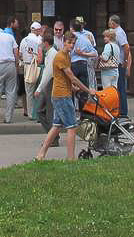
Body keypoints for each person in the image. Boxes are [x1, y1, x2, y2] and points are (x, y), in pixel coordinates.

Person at [34, 31, 90, 161]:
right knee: (72, 127)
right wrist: (87, 90)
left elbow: (65, 78)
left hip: (62, 94)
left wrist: (73, 88)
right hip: (62, 96)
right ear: (64, 42)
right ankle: (71, 158)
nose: (71, 45)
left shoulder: (67, 56)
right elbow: (72, 77)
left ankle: (41, 154)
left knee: (56, 126)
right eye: (69, 43)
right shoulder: (60, 56)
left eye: (73, 43)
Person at [107, 15, 132, 117]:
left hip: (120, 63)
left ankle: (123, 111)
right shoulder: (115, 32)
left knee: (120, 87)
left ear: (114, 23)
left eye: (109, 22)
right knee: (117, 87)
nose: (108, 23)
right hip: (116, 63)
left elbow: (126, 47)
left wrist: (125, 61)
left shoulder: (119, 33)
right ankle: (119, 109)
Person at [68, 18, 97, 101]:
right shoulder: (85, 39)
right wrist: (84, 54)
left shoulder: (69, 38)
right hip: (83, 64)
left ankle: (73, 109)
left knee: (72, 87)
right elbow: (95, 53)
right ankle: (83, 110)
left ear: (71, 28)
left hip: (73, 64)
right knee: (83, 89)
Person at [20, 22, 43, 120]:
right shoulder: (39, 40)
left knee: (29, 91)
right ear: (37, 30)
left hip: (27, 66)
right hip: (37, 67)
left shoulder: (23, 40)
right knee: (38, 90)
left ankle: (30, 113)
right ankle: (37, 113)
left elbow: (20, 54)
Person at [98, 27, 121, 94]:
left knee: (106, 91)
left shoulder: (108, 46)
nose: (104, 38)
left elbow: (105, 58)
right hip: (115, 71)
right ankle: (114, 104)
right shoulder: (117, 46)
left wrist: (100, 56)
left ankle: (108, 104)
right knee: (114, 91)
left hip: (107, 71)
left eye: (106, 36)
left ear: (110, 37)